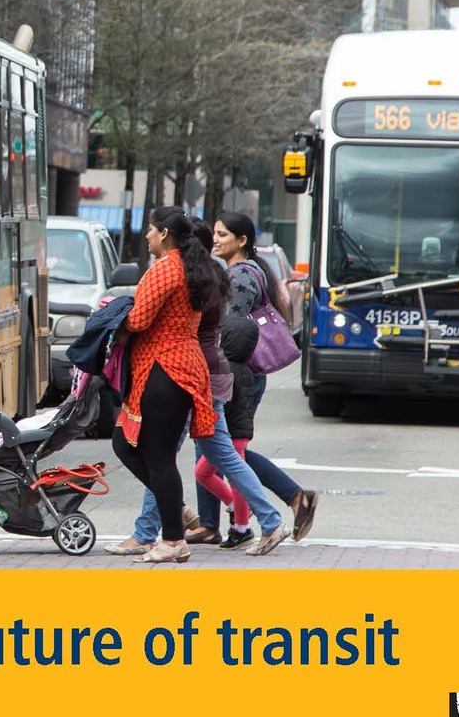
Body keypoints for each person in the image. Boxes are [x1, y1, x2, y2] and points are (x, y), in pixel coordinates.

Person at [186, 213, 319, 546]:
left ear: (241, 240)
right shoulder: (242, 272)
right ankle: (220, 521)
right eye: (214, 234)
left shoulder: (242, 276)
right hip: (235, 371)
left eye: (222, 234)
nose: (215, 240)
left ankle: (286, 500)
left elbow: (230, 327)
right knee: (219, 448)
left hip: (235, 372)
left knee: (227, 450)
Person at [109, 208, 219, 564]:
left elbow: (139, 319)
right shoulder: (189, 267)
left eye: (151, 230)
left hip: (165, 368)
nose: (147, 236)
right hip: (177, 366)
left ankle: (173, 537)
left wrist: (114, 317)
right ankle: (176, 519)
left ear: (166, 234)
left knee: (155, 455)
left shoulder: (166, 269)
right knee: (131, 446)